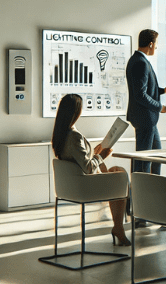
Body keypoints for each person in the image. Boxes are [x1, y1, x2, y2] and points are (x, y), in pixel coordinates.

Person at [51, 94, 130, 247]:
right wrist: (101, 156)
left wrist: (94, 153)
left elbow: (78, 160)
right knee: (121, 176)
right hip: (84, 187)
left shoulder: (60, 135)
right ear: (76, 112)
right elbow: (88, 168)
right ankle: (119, 228)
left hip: (71, 186)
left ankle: (118, 227)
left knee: (116, 171)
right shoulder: (74, 136)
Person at [126, 29, 166, 175]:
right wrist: (159, 107)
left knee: (157, 156)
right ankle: (139, 195)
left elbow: (145, 89)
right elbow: (141, 95)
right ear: (151, 44)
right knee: (143, 160)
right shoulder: (141, 63)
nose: (156, 48)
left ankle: (154, 190)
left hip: (146, 119)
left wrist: (164, 90)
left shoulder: (136, 60)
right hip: (145, 118)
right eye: (156, 44)